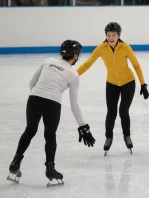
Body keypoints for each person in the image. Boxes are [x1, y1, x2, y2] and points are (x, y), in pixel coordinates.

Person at [7, 40, 95, 187]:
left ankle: (15, 163)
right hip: (52, 103)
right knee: (50, 135)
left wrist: (38, 98)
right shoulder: (73, 75)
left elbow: (31, 83)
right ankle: (50, 169)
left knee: (29, 131)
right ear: (74, 55)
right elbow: (74, 106)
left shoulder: (48, 61)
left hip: (34, 98)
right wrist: (82, 125)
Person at [76, 22, 149, 156]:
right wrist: (74, 75)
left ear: (118, 35)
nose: (111, 38)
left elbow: (136, 65)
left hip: (128, 82)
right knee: (111, 112)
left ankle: (127, 136)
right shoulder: (101, 48)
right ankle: (109, 137)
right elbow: (87, 64)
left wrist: (143, 84)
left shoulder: (125, 47)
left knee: (123, 111)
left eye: (113, 35)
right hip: (112, 83)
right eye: (109, 35)